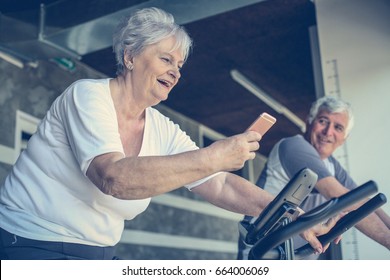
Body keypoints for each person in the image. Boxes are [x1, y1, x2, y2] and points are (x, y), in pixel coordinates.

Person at [0, 7, 337, 260]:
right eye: (166, 59)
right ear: (130, 56)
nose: (175, 72)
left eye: (179, 66)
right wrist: (214, 155)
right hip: (29, 241)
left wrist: (291, 214)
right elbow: (113, 178)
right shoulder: (88, 95)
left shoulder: (161, 128)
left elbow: (220, 183)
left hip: (96, 253)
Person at [237, 95, 390, 259]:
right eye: (323, 121)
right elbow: (342, 197)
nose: (328, 132)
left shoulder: (332, 165)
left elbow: (365, 201)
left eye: (338, 127)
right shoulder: (294, 147)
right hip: (264, 255)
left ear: (344, 138)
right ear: (309, 122)